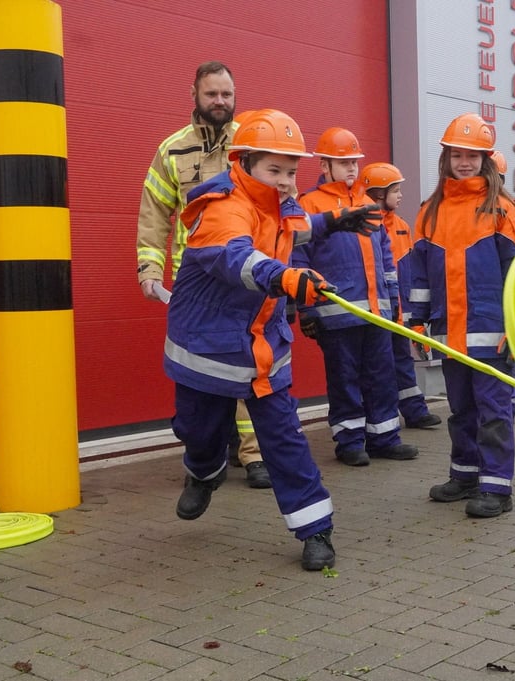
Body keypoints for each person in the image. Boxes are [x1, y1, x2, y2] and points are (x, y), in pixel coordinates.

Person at [163, 109, 381, 570]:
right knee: (198, 433)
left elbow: (297, 230)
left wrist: (337, 220)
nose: (285, 181)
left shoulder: (282, 206)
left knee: (285, 440)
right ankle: (204, 473)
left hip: (264, 348)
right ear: (242, 162)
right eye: (274, 170)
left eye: (290, 171)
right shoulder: (222, 206)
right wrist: (285, 278)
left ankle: (315, 529)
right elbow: (238, 260)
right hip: (208, 350)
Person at [135, 62, 270, 489]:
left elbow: (273, 204)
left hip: (245, 276)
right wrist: (150, 269)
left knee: (249, 365)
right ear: (194, 94)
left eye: (227, 95)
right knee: (199, 372)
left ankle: (253, 455)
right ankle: (213, 449)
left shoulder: (251, 143)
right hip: (194, 286)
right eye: (212, 94)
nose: (220, 102)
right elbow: (154, 215)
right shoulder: (172, 150)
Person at [410, 113, 515, 518]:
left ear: (484, 159)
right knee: (460, 408)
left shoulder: (502, 210)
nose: (464, 162)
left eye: (472, 155)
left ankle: (496, 487)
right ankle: (464, 475)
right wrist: (416, 320)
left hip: (493, 333)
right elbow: (421, 276)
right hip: (449, 333)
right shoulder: (429, 212)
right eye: (456, 155)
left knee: (494, 411)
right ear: (446, 158)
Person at [295, 128, 419, 466]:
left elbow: (386, 259)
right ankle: (350, 442)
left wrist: (394, 304)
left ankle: (385, 438)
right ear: (325, 165)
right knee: (344, 380)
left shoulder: (367, 204)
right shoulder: (310, 205)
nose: (351, 168)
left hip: (376, 312)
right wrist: (306, 310)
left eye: (354, 162)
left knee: (381, 377)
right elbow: (299, 261)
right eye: (343, 162)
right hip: (336, 314)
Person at [358, 162, 442, 430]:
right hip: (377, 310)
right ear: (379, 194)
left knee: (403, 360)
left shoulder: (403, 226)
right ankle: (378, 418)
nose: (401, 195)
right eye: (396, 190)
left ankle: (414, 411)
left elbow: (410, 269)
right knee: (377, 366)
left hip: (399, 309)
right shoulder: (363, 224)